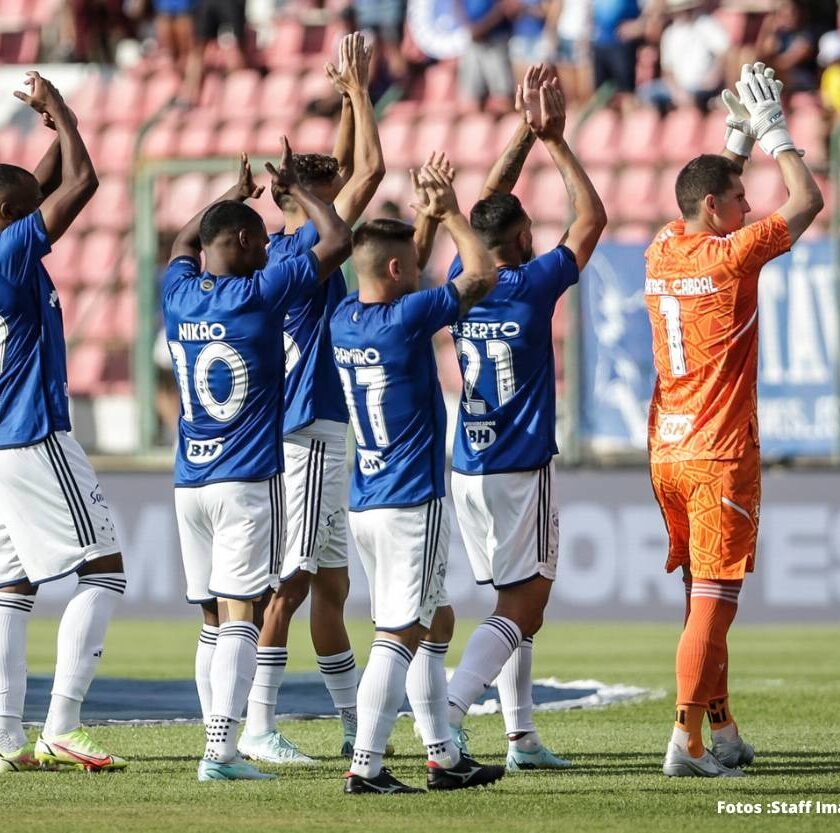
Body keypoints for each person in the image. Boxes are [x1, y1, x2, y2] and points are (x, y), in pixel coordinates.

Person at [646, 62, 822, 777]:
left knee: (700, 596)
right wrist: (777, 133)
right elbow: (809, 199)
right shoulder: (731, 259)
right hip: (719, 453)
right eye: (740, 198)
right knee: (715, 604)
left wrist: (736, 136)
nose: (751, 207)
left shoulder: (663, 245)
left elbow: (707, 189)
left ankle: (721, 727)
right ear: (718, 209)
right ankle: (685, 741)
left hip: (666, 450)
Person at [162, 144, 351, 781]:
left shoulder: (177, 291)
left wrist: (231, 196)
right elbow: (339, 240)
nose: (271, 247)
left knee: (212, 619)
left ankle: (216, 738)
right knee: (245, 608)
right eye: (259, 239)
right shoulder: (260, 294)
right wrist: (299, 191)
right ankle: (222, 749)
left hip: (189, 477)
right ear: (244, 240)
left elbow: (184, 243)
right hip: (246, 478)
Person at [439, 67, 606, 771]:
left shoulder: (461, 278)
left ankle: (520, 733)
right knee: (527, 603)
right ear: (517, 241)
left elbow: (483, 205)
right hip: (519, 462)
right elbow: (592, 218)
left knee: (511, 599)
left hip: (466, 463)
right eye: (529, 229)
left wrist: (519, 134)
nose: (540, 236)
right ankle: (447, 709)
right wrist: (556, 143)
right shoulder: (533, 285)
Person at [332, 159, 502, 794]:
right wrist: (451, 209)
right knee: (399, 633)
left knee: (434, 620)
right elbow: (481, 272)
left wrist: (422, 218)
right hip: (411, 499)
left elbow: (400, 269)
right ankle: (367, 767)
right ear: (399, 271)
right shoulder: (406, 319)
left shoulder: (346, 316)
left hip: (367, 497)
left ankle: (443, 756)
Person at [240, 31, 385, 766]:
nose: (347, 190)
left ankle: (355, 724)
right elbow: (372, 169)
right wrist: (357, 86)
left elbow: (353, 167)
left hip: (318, 427)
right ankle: (258, 724)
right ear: (316, 197)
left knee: (330, 581)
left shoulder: (292, 246)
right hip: (310, 429)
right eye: (333, 188)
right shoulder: (309, 251)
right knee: (292, 579)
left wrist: (343, 98)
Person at [0, 72, 127, 774]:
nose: (34, 210)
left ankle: (4, 736)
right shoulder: (12, 250)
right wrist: (67, 112)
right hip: (33, 432)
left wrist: (47, 130)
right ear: (12, 215)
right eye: (25, 209)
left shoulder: (3, 239)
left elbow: (33, 184)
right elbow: (82, 185)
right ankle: (63, 724)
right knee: (105, 568)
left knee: (11, 589)